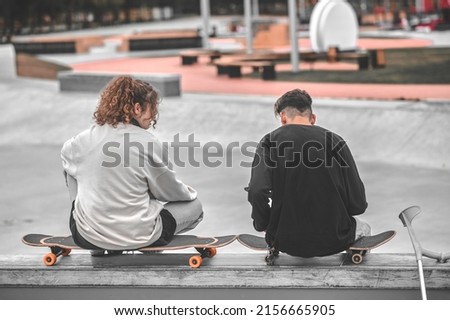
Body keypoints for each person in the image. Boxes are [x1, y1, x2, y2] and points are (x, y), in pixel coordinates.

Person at [61, 75, 203, 255]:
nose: (153, 118)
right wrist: (188, 192)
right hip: (139, 234)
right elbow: (168, 192)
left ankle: (92, 231)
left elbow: (66, 159)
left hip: (86, 235)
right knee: (195, 206)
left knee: (70, 170)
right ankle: (145, 244)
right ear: (137, 108)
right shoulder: (147, 143)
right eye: (153, 109)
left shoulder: (80, 142)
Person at [247, 89, 370, 257]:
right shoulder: (335, 141)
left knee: (273, 228)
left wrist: (264, 224)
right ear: (313, 118)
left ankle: (274, 245)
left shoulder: (269, 142)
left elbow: (257, 190)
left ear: (283, 117)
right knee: (364, 228)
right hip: (335, 239)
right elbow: (358, 203)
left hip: (284, 240)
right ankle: (355, 261)